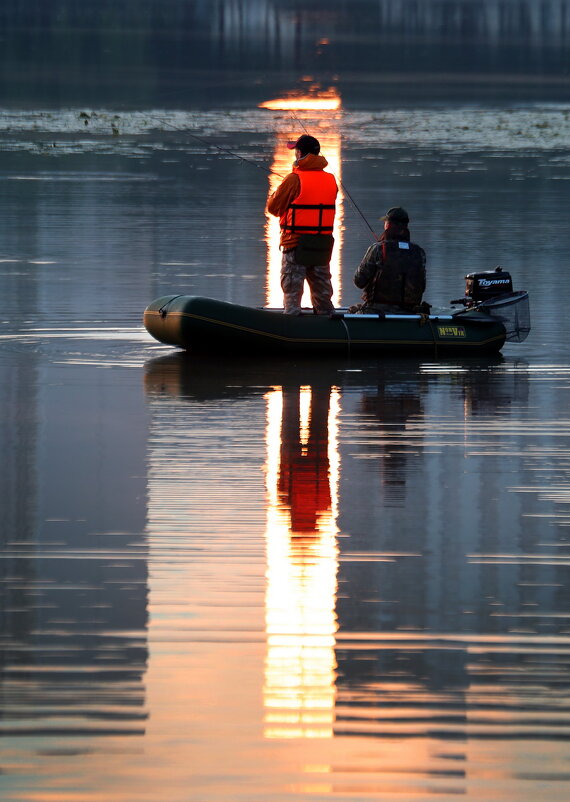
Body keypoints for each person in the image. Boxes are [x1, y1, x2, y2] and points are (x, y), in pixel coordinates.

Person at [267, 134, 338, 315]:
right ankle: (329, 331)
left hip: (295, 244)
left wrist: (278, 192)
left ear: (299, 153)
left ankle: (291, 330)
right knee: (323, 297)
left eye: (295, 151)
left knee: (292, 293)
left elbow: (274, 209)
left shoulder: (293, 179)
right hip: (321, 245)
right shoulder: (331, 180)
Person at [353, 206, 427, 314]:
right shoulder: (419, 252)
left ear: (387, 225)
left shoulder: (377, 249)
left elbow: (359, 281)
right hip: (410, 313)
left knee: (353, 310)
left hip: (377, 311)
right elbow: (422, 287)